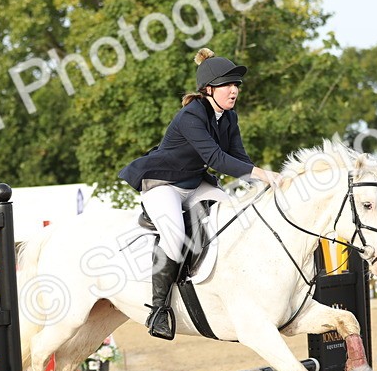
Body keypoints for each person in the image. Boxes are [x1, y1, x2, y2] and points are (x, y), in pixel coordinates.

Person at [119, 48, 281, 340]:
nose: (234, 91)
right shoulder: (190, 115)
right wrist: (264, 174)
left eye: (236, 86)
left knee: (233, 214)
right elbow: (217, 159)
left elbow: (240, 158)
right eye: (227, 85)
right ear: (208, 89)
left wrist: (262, 186)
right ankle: (158, 310)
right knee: (174, 234)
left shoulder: (229, 118)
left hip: (193, 183)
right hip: (163, 184)